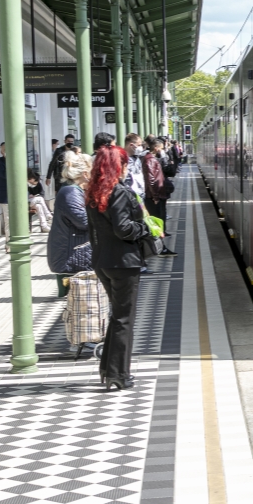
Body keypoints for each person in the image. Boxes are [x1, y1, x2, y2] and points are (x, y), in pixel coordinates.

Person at [85, 145, 151, 391]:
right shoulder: (120, 192)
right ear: (119, 166)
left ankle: (108, 368)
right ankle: (119, 374)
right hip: (123, 262)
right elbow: (123, 228)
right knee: (124, 319)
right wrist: (145, 229)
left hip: (103, 261)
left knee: (117, 315)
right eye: (124, 164)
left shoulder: (93, 192)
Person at [47, 152, 92, 298]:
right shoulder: (70, 192)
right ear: (85, 174)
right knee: (79, 305)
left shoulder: (74, 190)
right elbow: (84, 221)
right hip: (71, 255)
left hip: (75, 252)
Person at [142, 136, 175, 255]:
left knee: (159, 221)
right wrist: (155, 196)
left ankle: (160, 246)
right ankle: (159, 248)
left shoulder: (150, 159)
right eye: (161, 148)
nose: (163, 150)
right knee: (157, 222)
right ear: (156, 148)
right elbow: (151, 180)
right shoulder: (150, 160)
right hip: (155, 197)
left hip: (156, 196)